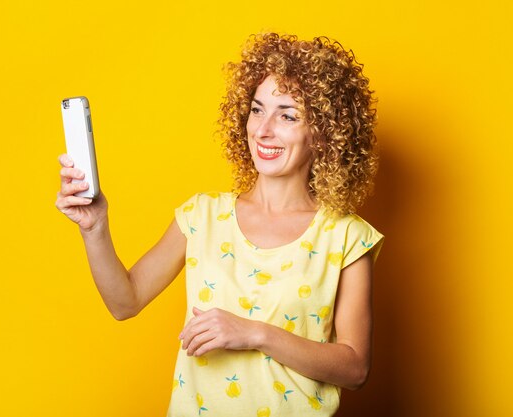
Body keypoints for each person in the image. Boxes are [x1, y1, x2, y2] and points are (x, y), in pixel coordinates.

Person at [55, 32, 384, 417]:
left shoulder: (346, 237)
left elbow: (355, 367)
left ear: (323, 133)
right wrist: (94, 228)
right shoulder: (202, 217)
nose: (263, 129)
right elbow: (124, 302)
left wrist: (254, 333)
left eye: (288, 115)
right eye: (257, 109)